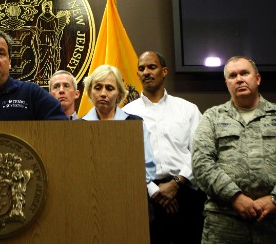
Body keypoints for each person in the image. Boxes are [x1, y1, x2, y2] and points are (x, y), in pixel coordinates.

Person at [122, 51, 206, 244]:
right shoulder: (127, 113)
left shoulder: (188, 109)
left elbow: (200, 152)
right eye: (141, 69)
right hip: (145, 197)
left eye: (152, 67)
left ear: (165, 71)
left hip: (185, 194)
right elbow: (126, 159)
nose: (146, 72)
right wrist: (153, 189)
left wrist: (176, 182)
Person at [192, 56, 276, 243]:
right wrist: (235, 197)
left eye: (244, 73)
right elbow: (201, 163)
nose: (239, 79)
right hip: (224, 223)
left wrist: (274, 199)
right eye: (233, 75)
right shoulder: (212, 117)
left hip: (272, 224)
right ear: (227, 83)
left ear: (258, 78)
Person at [81, 64, 156, 186]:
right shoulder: (78, 127)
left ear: (119, 94)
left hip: (130, 193)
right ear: (89, 92)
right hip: (91, 197)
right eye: (98, 87)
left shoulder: (135, 124)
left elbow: (149, 168)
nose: (103, 93)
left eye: (110, 88)